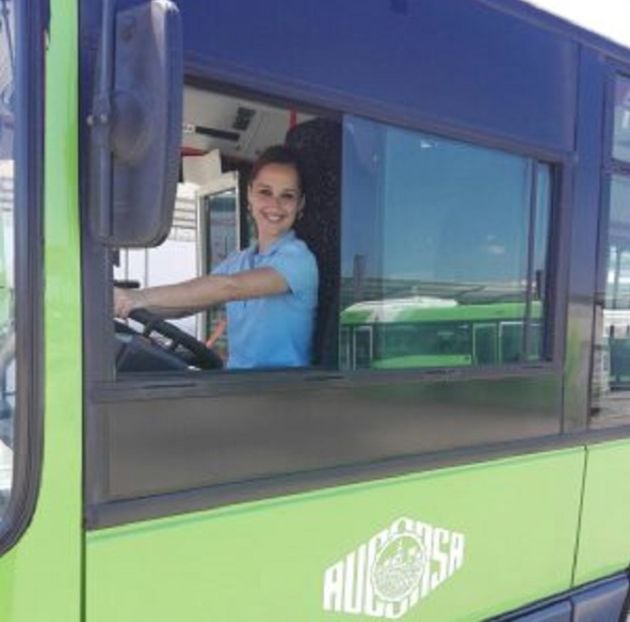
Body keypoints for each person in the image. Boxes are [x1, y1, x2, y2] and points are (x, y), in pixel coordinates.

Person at [114, 145, 319, 369]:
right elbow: (188, 305)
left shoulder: (299, 260)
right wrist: (127, 306)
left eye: (287, 196)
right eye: (265, 192)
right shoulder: (240, 261)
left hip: (281, 394)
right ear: (249, 194)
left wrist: (139, 296)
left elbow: (228, 287)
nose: (275, 205)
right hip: (239, 387)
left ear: (300, 204)